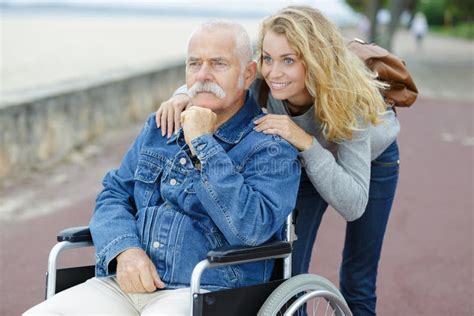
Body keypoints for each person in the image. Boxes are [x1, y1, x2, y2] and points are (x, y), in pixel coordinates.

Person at [23, 21, 301, 316]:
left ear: (247, 74)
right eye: (195, 63)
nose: (203, 75)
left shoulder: (271, 146)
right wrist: (124, 251)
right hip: (124, 284)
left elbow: (250, 229)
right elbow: (114, 195)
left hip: (204, 290)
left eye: (218, 63)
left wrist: (203, 144)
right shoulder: (161, 126)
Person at [156, 6, 401, 316]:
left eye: (289, 60)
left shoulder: (349, 100)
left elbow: (353, 205)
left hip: (373, 160)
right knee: (288, 269)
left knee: (357, 279)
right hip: (304, 158)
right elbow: (222, 77)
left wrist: (305, 141)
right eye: (268, 59)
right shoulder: (264, 79)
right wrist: (182, 95)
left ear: (315, 61)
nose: (273, 72)